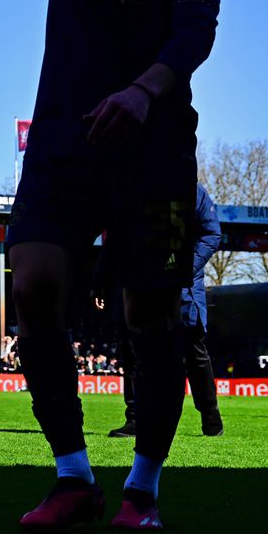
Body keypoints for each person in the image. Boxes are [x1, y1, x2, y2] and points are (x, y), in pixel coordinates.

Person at [0, 0, 222, 530]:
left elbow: (193, 35)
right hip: (61, 140)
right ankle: (72, 476)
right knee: (37, 286)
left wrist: (145, 91)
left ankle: (142, 488)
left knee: (149, 311)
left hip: (152, 143)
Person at [103, 184, 223, 438]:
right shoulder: (132, 189)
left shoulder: (194, 191)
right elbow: (116, 238)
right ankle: (135, 419)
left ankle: (210, 415)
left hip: (182, 290)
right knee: (133, 352)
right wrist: (102, 281)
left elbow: (212, 234)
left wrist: (183, 267)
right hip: (137, 283)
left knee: (193, 353)